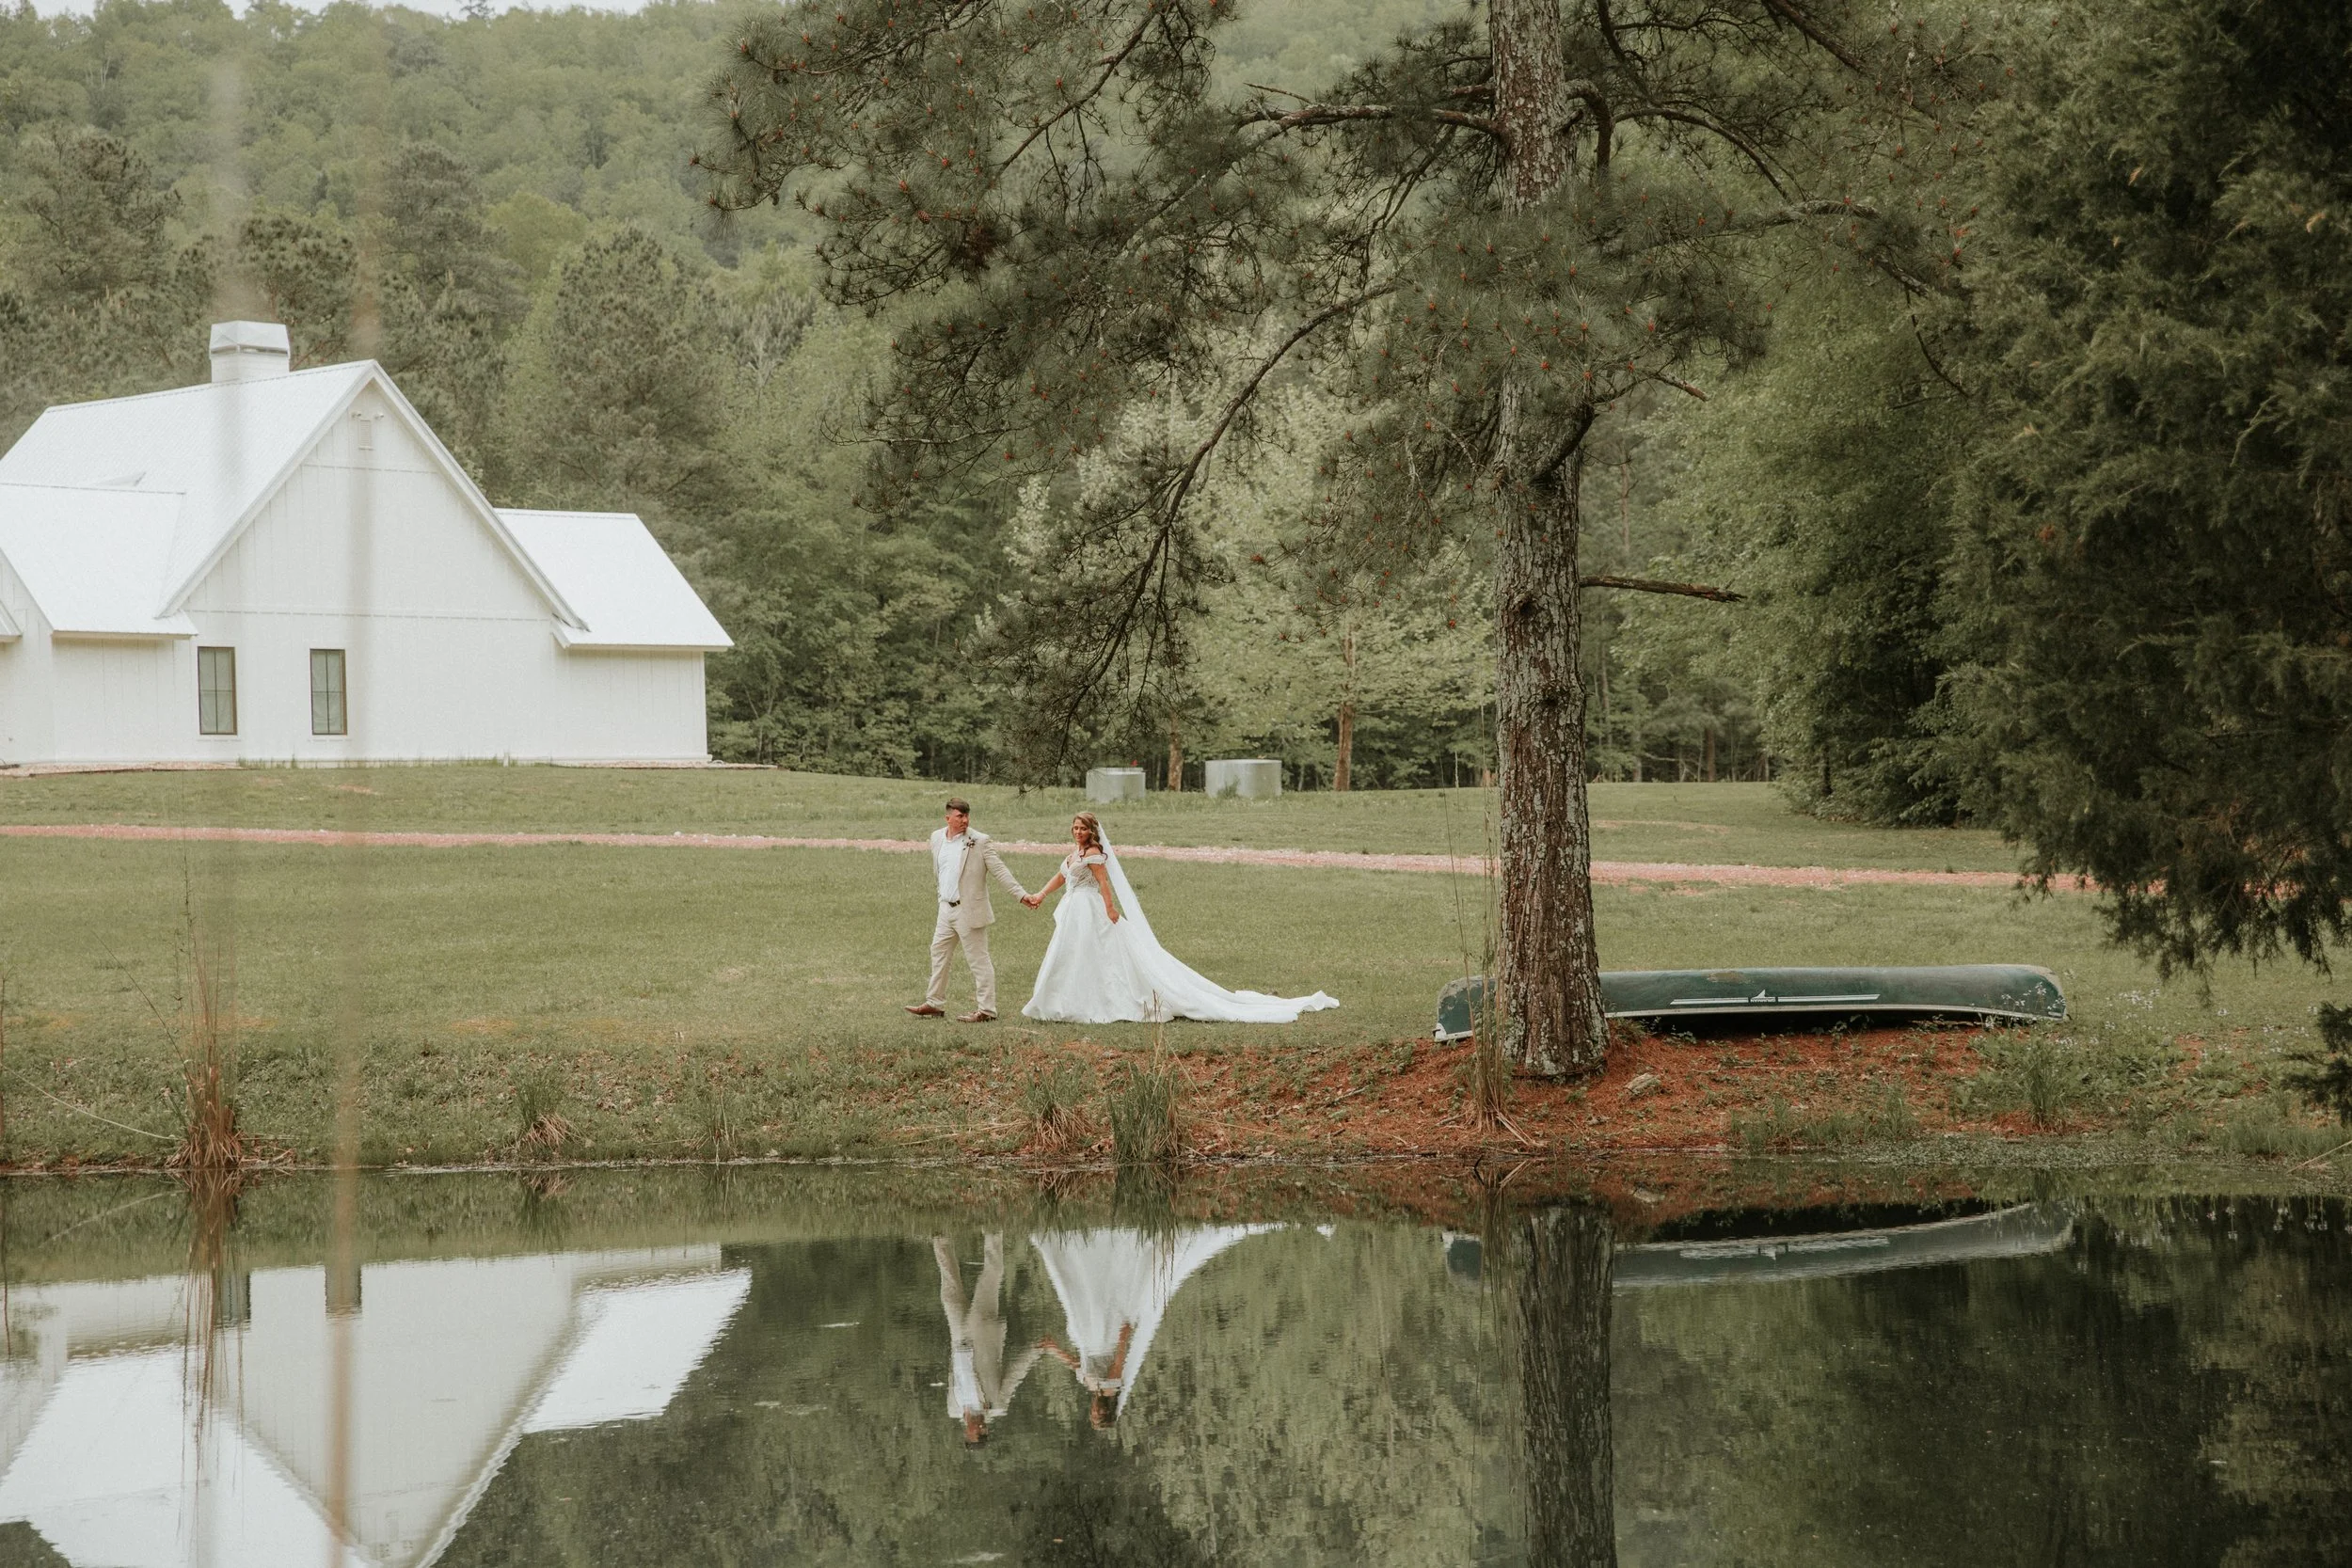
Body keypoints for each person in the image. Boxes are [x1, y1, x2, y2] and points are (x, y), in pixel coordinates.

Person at [1019, 812, 1338, 1023]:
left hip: (1091, 909)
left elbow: (1103, 883)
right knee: (1071, 954)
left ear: (1092, 832)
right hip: (1074, 908)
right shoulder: (1073, 854)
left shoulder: (1092, 855)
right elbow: (1061, 877)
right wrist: (1041, 895)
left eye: (1083, 829)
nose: (1078, 833)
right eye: (1075, 828)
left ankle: (1095, 1001)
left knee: (1098, 953)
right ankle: (1061, 999)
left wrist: (1111, 909)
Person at [1030, 1225, 1279, 1429]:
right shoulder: (1110, 1386)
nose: (1092, 1411)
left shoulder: (1093, 1387)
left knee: (1084, 1287)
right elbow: (1119, 1361)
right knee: (1095, 1291)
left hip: (1088, 1336)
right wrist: (1123, 1335)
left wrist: (1053, 1349)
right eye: (1096, 1415)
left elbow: (1077, 1364)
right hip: (1102, 1336)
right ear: (1105, 1411)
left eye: (1092, 1415)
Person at [908, 798, 1031, 1023]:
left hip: (969, 910)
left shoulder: (979, 841)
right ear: (948, 818)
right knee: (938, 954)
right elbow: (942, 872)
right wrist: (942, 898)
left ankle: (987, 1010)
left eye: (966, 816)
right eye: (959, 816)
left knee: (978, 960)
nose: (964, 821)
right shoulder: (937, 838)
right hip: (945, 909)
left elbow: (1000, 870)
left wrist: (1021, 895)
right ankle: (934, 1003)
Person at [933, 1233, 1041, 1445]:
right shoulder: (997, 1405)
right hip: (983, 1333)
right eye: (985, 1431)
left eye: (978, 1432)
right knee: (992, 1275)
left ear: (968, 1433)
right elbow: (1014, 1375)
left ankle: (940, 1235)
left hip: (959, 1341)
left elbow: (954, 1374)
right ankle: (993, 1229)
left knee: (949, 1293)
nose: (983, 1428)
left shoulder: (953, 1409)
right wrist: (1036, 1350)